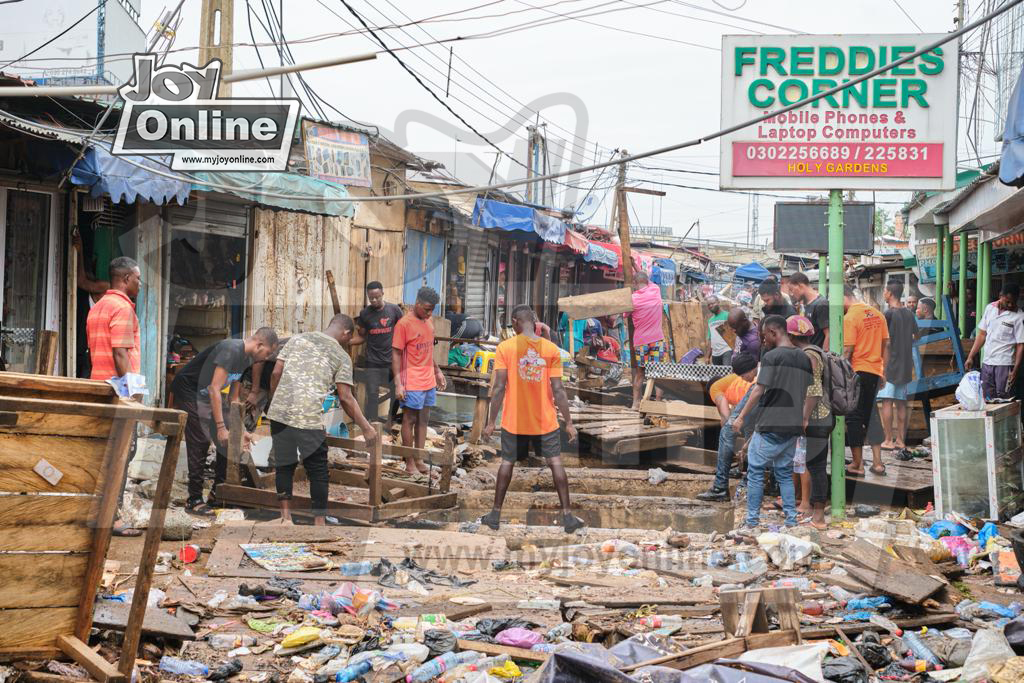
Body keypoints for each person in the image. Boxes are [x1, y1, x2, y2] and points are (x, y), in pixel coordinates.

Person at [481, 305, 584, 533]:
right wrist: (569, 423)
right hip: (544, 421)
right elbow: (559, 390)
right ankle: (567, 517)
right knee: (555, 463)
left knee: (507, 462)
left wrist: (490, 422)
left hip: (514, 420)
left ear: (515, 322)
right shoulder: (551, 349)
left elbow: (498, 388)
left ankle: (495, 515)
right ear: (534, 321)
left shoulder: (506, 348)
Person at [266, 315, 378, 525]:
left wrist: (276, 400)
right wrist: (366, 427)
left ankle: (285, 517)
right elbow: (345, 397)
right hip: (308, 418)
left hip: (280, 414)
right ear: (346, 333)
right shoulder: (341, 355)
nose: (348, 342)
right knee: (318, 470)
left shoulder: (297, 339)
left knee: (284, 465)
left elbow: (276, 373)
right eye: (349, 339)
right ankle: (319, 523)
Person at [171, 329, 279, 515]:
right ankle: (194, 499)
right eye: (267, 353)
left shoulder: (246, 360)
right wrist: (220, 428)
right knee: (201, 439)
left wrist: (240, 429)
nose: (266, 358)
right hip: (188, 389)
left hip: (205, 392)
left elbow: (233, 398)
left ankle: (218, 493)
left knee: (230, 438)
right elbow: (214, 388)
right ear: (259, 345)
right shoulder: (231, 350)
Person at [732, 316, 811, 529]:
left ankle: (751, 521)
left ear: (774, 333)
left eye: (764, 335)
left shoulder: (771, 356)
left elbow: (759, 389)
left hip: (771, 424)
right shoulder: (803, 357)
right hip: (793, 427)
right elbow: (807, 391)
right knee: (784, 473)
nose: (763, 340)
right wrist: (803, 418)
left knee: (756, 473)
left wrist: (741, 417)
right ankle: (791, 519)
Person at [85, 255, 143, 537]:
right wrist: (132, 393)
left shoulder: (98, 307)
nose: (140, 284)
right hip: (118, 392)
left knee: (103, 455)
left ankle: (96, 513)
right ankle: (113, 517)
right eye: (138, 279)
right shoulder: (122, 308)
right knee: (122, 454)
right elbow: (120, 353)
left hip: (100, 388)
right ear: (126, 279)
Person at [393, 286, 448, 474]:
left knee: (424, 420)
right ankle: (409, 462)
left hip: (428, 380)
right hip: (411, 380)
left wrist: (437, 371)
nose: (429, 313)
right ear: (417, 303)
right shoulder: (403, 324)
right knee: (409, 419)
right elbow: (396, 354)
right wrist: (398, 384)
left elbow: (428, 350)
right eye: (426, 309)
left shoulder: (429, 321)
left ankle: (419, 459)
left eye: (432, 309)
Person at [789, 315, 833, 529]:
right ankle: (814, 514)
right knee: (814, 466)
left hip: (817, 418)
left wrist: (804, 418)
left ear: (791, 336)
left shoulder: (809, 355)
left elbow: (814, 389)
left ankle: (819, 518)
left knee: (816, 467)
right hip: (822, 416)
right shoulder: (815, 351)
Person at [696, 353, 758, 502]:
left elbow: (724, 410)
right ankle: (749, 479)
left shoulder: (715, 388)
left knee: (727, 432)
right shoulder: (733, 381)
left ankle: (720, 487)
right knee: (751, 437)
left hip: (755, 392)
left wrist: (726, 424)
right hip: (757, 400)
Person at [843, 285, 889, 477]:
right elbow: (885, 345)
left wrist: (840, 374)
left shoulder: (850, 318)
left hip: (857, 372)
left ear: (843, 297)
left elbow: (847, 350)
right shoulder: (878, 314)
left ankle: (857, 464)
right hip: (874, 372)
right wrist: (882, 371)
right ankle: (877, 463)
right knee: (872, 415)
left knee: (853, 416)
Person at [351, 282, 404, 425]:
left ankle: (390, 420)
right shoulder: (365, 314)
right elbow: (362, 336)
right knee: (372, 393)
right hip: (372, 360)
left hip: (392, 360)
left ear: (382, 294)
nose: (374, 300)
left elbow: (403, 331)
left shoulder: (394, 310)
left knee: (395, 392)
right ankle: (373, 423)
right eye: (371, 298)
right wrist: (348, 341)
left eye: (377, 297)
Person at [965, 283, 1024, 400]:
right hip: (987, 362)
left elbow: (1020, 345)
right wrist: (970, 356)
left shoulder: (1019, 316)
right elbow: (982, 335)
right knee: (987, 398)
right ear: (1000, 296)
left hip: (1005, 364)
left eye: (1013, 302)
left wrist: (1015, 369)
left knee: (1005, 399)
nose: (1010, 305)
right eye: (1007, 301)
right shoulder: (990, 308)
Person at [879, 280, 918, 452]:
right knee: (901, 402)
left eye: (884, 291)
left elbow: (886, 343)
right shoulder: (909, 314)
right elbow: (916, 336)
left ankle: (888, 440)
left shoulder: (888, 314)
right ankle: (901, 441)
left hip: (890, 364)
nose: (884, 294)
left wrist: (883, 366)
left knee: (887, 402)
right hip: (905, 364)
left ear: (890, 293)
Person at [627, 271, 667, 410]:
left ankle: (636, 403)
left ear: (634, 283)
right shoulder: (655, 290)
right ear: (647, 281)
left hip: (640, 342)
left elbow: (625, 314)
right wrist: (635, 266)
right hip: (657, 340)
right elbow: (646, 280)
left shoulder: (632, 299)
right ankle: (657, 403)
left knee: (640, 373)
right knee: (658, 373)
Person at [789, 272, 829, 350]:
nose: (792, 294)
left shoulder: (821, 304)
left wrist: (823, 354)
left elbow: (828, 334)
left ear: (800, 286)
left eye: (792, 289)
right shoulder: (803, 305)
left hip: (815, 353)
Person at [707, 296, 732, 366]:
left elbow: (734, 334)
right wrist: (708, 356)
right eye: (708, 305)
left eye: (712, 303)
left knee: (727, 371)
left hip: (726, 350)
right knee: (717, 372)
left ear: (718, 302)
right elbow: (710, 339)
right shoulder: (710, 321)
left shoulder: (727, 315)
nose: (710, 306)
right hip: (715, 354)